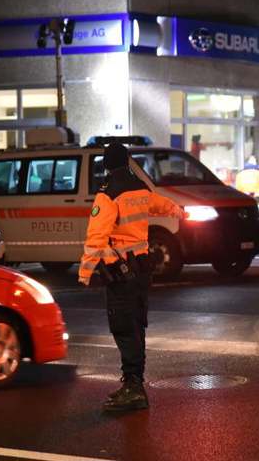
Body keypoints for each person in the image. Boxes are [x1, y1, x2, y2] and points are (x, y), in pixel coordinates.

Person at [79, 143, 183, 412]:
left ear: (106, 164)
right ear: (127, 161)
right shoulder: (139, 187)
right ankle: (135, 383)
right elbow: (161, 204)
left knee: (123, 327)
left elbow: (96, 236)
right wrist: (178, 211)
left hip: (120, 272)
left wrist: (85, 272)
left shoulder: (108, 193)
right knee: (137, 325)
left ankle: (133, 388)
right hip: (142, 270)